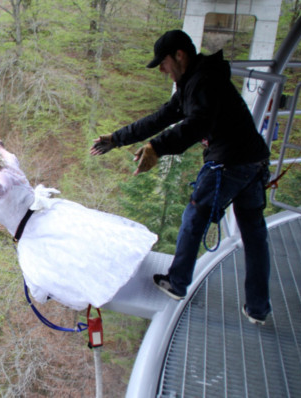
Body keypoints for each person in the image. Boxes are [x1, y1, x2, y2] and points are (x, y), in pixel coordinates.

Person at [90, 30, 272, 325]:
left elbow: (198, 124)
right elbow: (160, 117)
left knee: (194, 217)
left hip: (229, 162)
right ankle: (258, 307)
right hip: (253, 161)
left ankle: (176, 282)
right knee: (253, 233)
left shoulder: (203, 82)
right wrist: (118, 138)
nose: (161, 70)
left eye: (162, 63)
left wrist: (158, 147)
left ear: (179, 55)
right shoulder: (196, 81)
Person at [0, 135, 158, 311]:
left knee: (53, 271)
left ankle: (110, 281)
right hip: (42, 216)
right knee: (81, 246)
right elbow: (7, 154)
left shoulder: (0, 180)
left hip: (34, 230)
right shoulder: (9, 164)